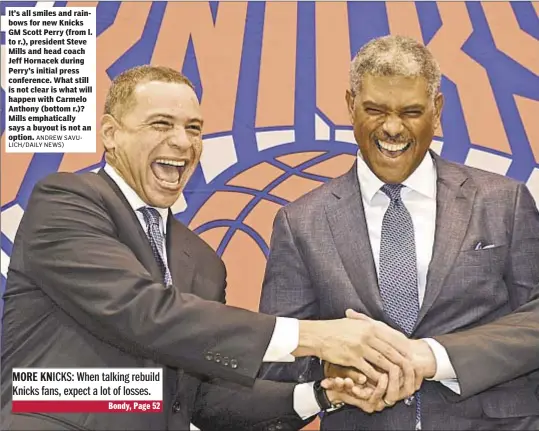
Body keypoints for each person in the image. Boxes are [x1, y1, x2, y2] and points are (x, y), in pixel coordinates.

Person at [1, 65, 414, 431]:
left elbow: (203, 400)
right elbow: (142, 313)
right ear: (111, 134)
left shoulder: (202, 261)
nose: (183, 142)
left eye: (194, 128)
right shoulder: (67, 201)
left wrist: (325, 395)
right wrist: (316, 337)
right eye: (161, 124)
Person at [258, 35, 539, 430]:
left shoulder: (503, 201)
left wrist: (433, 355)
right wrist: (331, 361)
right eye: (375, 109)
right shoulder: (300, 222)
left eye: (411, 112)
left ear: (437, 110)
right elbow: (279, 361)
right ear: (350, 106)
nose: (392, 128)